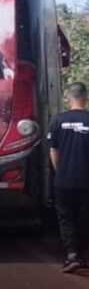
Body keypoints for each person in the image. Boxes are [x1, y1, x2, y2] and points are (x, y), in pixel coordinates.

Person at [48, 82, 89, 273]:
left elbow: (53, 150)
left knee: (66, 218)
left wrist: (60, 171)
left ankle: (72, 256)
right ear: (86, 98)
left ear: (68, 98)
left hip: (64, 180)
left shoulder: (58, 121)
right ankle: (85, 256)